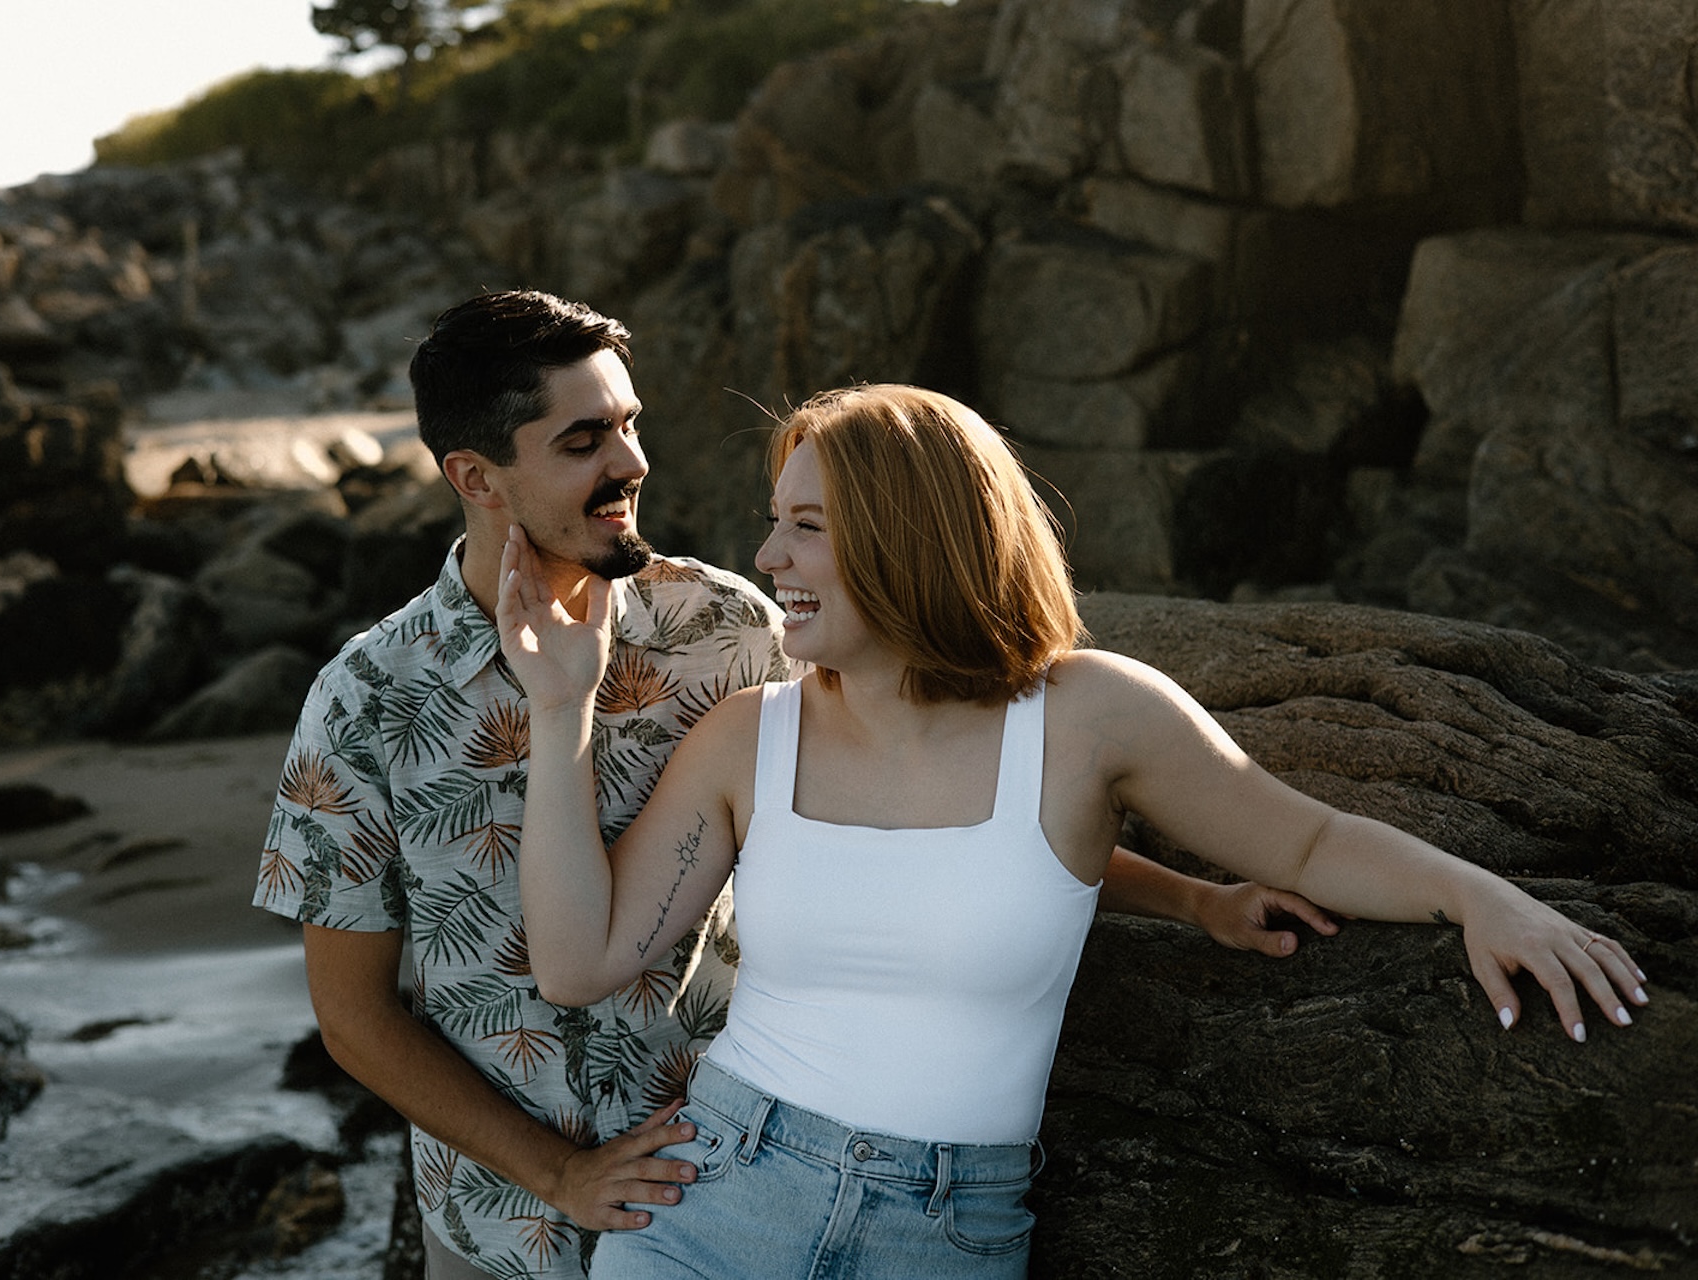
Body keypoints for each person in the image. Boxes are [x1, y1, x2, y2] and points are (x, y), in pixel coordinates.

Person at [256, 292, 1336, 1280]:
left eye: (631, 422)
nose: (631, 461)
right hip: (499, 1223)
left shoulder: (731, 630)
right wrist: (556, 1174)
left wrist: (1191, 897)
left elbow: (940, 809)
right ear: (477, 478)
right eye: (583, 441)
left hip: (732, 1176)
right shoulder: (364, 699)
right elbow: (353, 1017)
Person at [497, 382, 1651, 1280]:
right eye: (772, 524)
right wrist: (562, 709)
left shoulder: (1093, 714)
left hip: (944, 1232)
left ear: (908, 536)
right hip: (717, 1204)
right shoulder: (752, 736)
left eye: (804, 526)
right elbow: (580, 957)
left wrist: (1480, 894)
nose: (766, 560)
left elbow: (1304, 844)